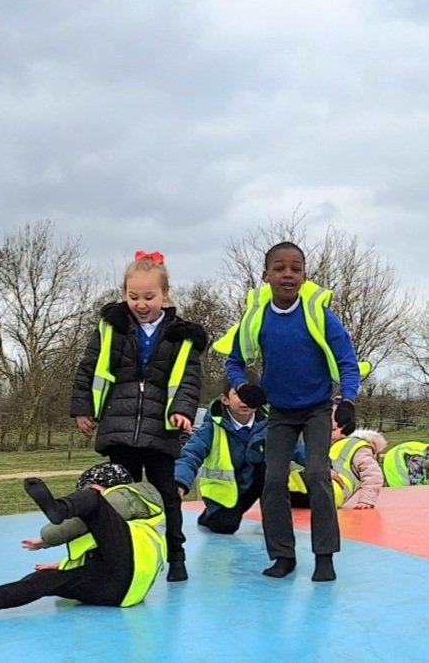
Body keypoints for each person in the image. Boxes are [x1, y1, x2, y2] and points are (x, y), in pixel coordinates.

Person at [225, 241, 361, 582]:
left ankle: (325, 556)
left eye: (296, 268)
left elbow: (347, 359)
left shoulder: (318, 314)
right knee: (272, 480)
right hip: (280, 413)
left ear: (304, 275)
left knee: (317, 474)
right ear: (266, 275)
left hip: (316, 407)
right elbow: (234, 361)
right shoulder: (256, 317)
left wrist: (347, 400)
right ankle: (283, 555)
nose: (288, 274)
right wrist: (243, 387)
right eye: (280, 268)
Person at [70, 250, 206, 582]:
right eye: (133, 296)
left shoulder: (181, 336)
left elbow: (188, 381)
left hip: (160, 430)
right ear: (124, 294)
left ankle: (176, 556)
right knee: (120, 497)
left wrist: (183, 412)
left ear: (165, 295)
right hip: (120, 426)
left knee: (167, 495)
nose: (141, 303)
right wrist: (83, 407)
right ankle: (122, 558)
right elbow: (88, 369)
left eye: (149, 296)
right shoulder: (110, 329)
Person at [0, 463, 166, 616]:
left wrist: (47, 538)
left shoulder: (134, 495)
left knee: (94, 501)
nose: (84, 496)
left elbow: (95, 520)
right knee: (44, 580)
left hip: (125, 573)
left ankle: (59, 508)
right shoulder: (119, 526)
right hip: (115, 592)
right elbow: (106, 550)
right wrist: (62, 567)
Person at [174, 374, 268, 535]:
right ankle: (209, 515)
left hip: (251, 485)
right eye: (239, 395)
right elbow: (191, 454)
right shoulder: (211, 427)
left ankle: (272, 517)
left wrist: (323, 465)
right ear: (225, 399)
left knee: (273, 466)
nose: (246, 401)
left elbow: (296, 448)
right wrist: (180, 482)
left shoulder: (269, 424)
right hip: (222, 492)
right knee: (226, 526)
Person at [289, 428, 387, 509]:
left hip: (300, 484)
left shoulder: (335, 446)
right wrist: (366, 501)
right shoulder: (361, 449)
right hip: (331, 492)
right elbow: (373, 475)